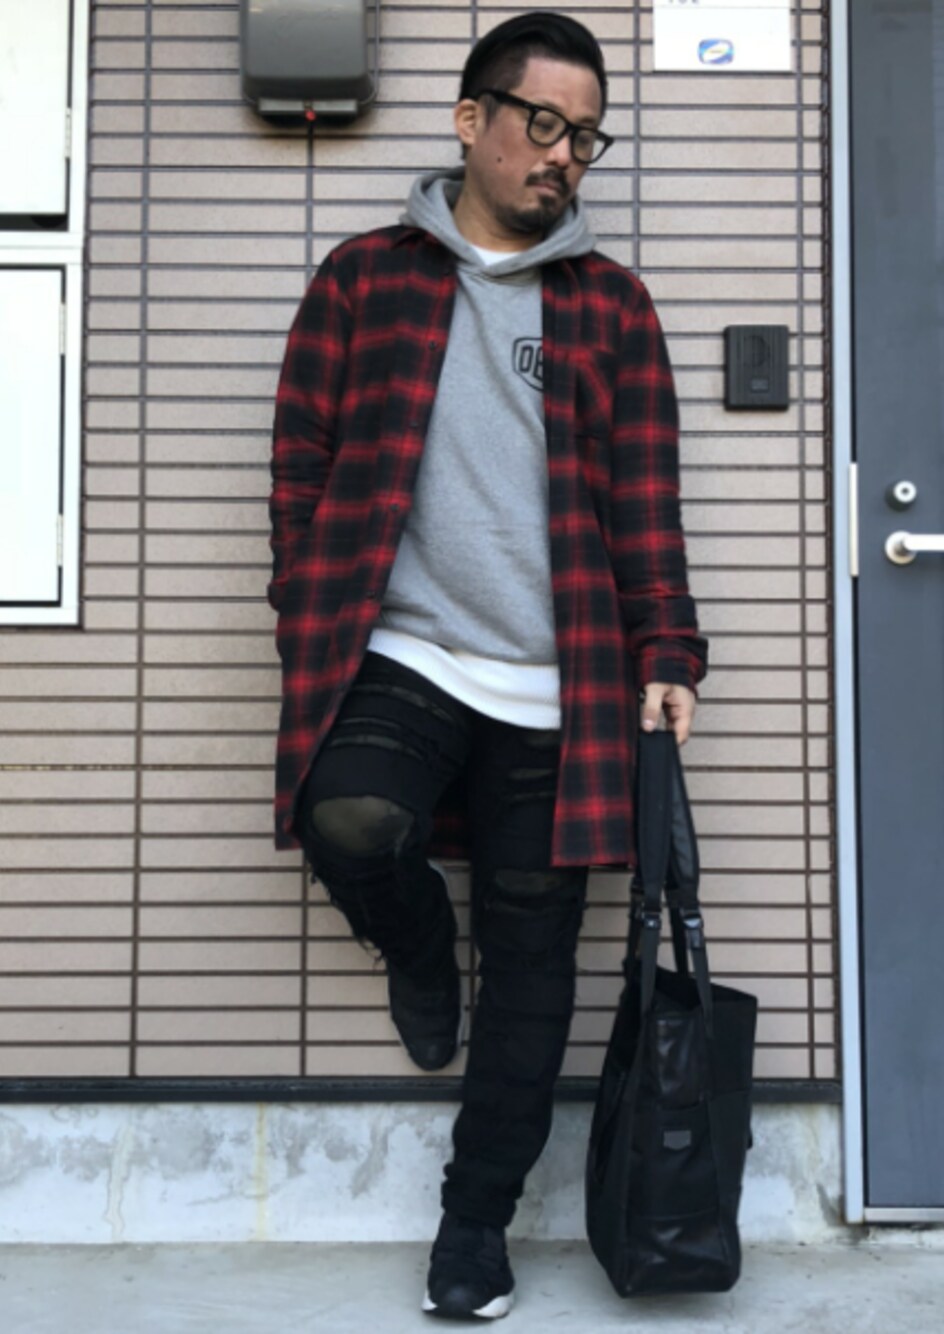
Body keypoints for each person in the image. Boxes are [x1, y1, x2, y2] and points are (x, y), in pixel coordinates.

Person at [267, 11, 707, 1319]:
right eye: (544, 123)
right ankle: (414, 945)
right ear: (473, 121)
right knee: (348, 814)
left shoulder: (612, 307)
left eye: (588, 136)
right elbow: (299, 466)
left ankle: (473, 1226)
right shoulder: (366, 279)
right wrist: (306, 602)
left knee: (532, 968)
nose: (565, 154)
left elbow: (646, 505)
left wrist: (667, 649)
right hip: (403, 645)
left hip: (559, 682)